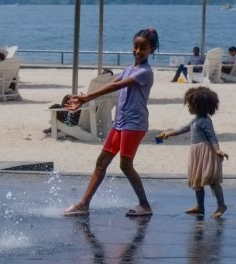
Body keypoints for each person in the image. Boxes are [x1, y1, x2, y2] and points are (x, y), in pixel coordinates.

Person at [63, 28, 160, 217]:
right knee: (102, 162)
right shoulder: (129, 69)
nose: (138, 51)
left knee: (125, 165)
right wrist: (84, 98)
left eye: (143, 48)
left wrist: (88, 97)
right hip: (120, 123)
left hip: (134, 124)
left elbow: (116, 86)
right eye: (136, 46)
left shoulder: (145, 72)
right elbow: (109, 84)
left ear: (152, 50)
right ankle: (84, 204)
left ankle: (145, 205)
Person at [157, 87, 228, 218]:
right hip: (196, 154)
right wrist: (168, 133)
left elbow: (212, 136)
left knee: (212, 180)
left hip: (206, 153)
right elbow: (182, 129)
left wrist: (217, 150)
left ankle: (221, 205)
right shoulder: (195, 120)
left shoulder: (205, 121)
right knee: (198, 181)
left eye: (190, 105)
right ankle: (200, 206)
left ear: (198, 106)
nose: (188, 107)